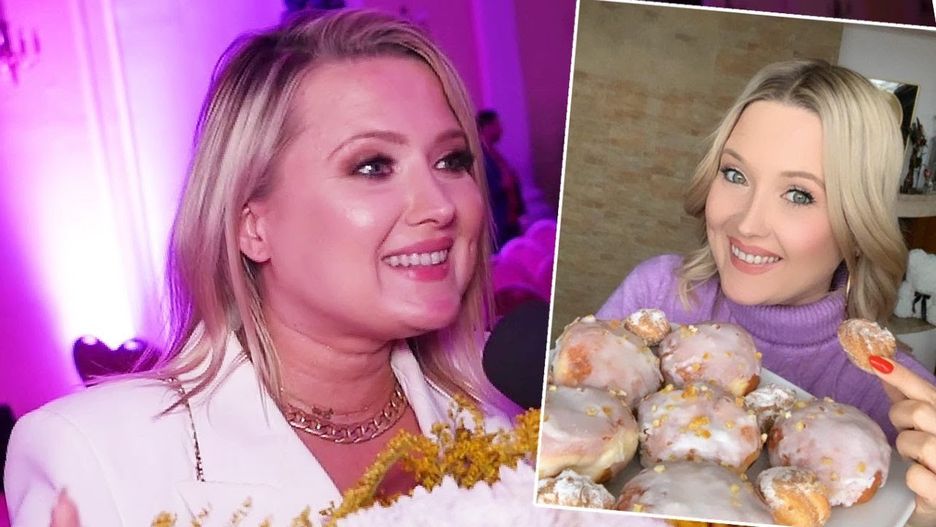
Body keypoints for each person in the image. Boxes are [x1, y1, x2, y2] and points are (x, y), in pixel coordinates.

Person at [4, 9, 517, 526]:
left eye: (452, 161)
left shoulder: (519, 416)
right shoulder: (95, 456)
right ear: (252, 226)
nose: (440, 205)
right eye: (373, 166)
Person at [596, 59, 936, 525]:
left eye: (799, 194)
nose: (747, 223)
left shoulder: (898, 403)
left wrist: (924, 517)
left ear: (858, 229)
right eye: (735, 174)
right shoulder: (656, 292)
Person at [477, 109, 525, 248]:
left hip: (510, 220)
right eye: (497, 124)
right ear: (487, 127)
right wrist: (503, 185)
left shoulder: (494, 153)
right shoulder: (480, 156)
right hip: (498, 223)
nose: (501, 128)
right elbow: (483, 189)